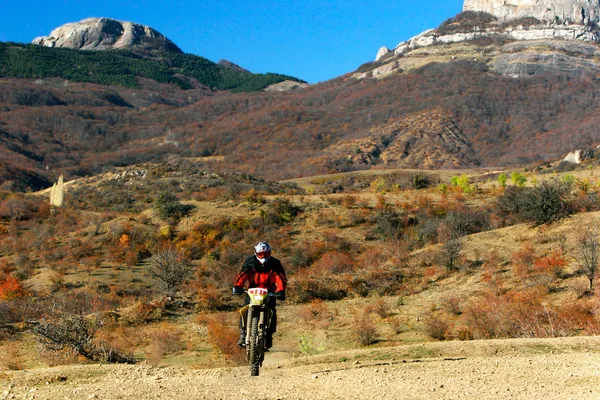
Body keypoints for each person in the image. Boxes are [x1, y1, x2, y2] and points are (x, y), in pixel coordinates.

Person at [232, 242, 287, 350]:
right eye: (261, 254)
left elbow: (280, 278)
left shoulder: (275, 263)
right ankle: (243, 333)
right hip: (253, 289)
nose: (264, 257)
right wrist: (237, 287)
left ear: (269, 253)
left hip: (269, 290)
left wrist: (280, 291)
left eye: (266, 254)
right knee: (245, 309)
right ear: (256, 253)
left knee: (271, 310)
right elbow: (242, 275)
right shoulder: (250, 262)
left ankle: (269, 335)